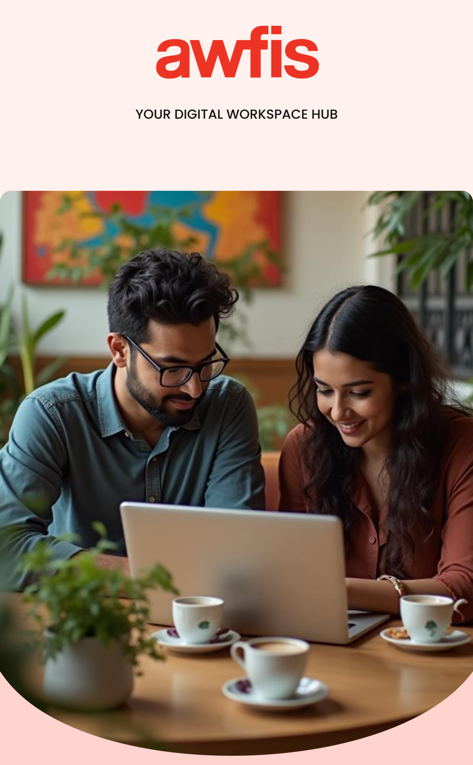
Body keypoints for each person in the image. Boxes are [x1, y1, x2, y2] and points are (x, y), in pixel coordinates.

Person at [0, 249, 265, 589]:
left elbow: (236, 545)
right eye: (172, 368)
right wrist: (143, 577)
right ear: (119, 350)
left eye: (205, 365)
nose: (195, 388)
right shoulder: (52, 414)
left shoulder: (227, 405)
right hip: (84, 615)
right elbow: (7, 549)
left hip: (194, 614)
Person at [279, 284, 473, 623]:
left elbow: (464, 590)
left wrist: (338, 590)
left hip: (434, 648)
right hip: (330, 643)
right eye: (324, 390)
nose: (338, 411)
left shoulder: (462, 446)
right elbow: (291, 569)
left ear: (403, 379)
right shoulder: (304, 448)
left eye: (358, 392)